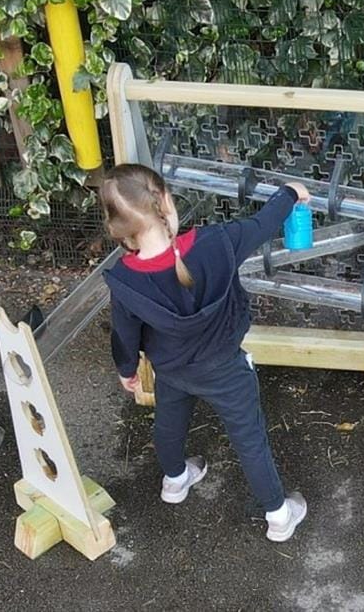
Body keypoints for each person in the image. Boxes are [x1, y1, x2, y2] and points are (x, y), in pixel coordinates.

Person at [99, 163, 309, 542]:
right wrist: (290, 192)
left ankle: (176, 480)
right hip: (225, 369)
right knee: (249, 438)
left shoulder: (126, 281)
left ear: (118, 228)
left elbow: (125, 334)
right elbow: (263, 225)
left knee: (168, 422)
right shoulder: (218, 243)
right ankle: (278, 514)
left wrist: (127, 369)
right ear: (165, 201)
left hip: (172, 370)